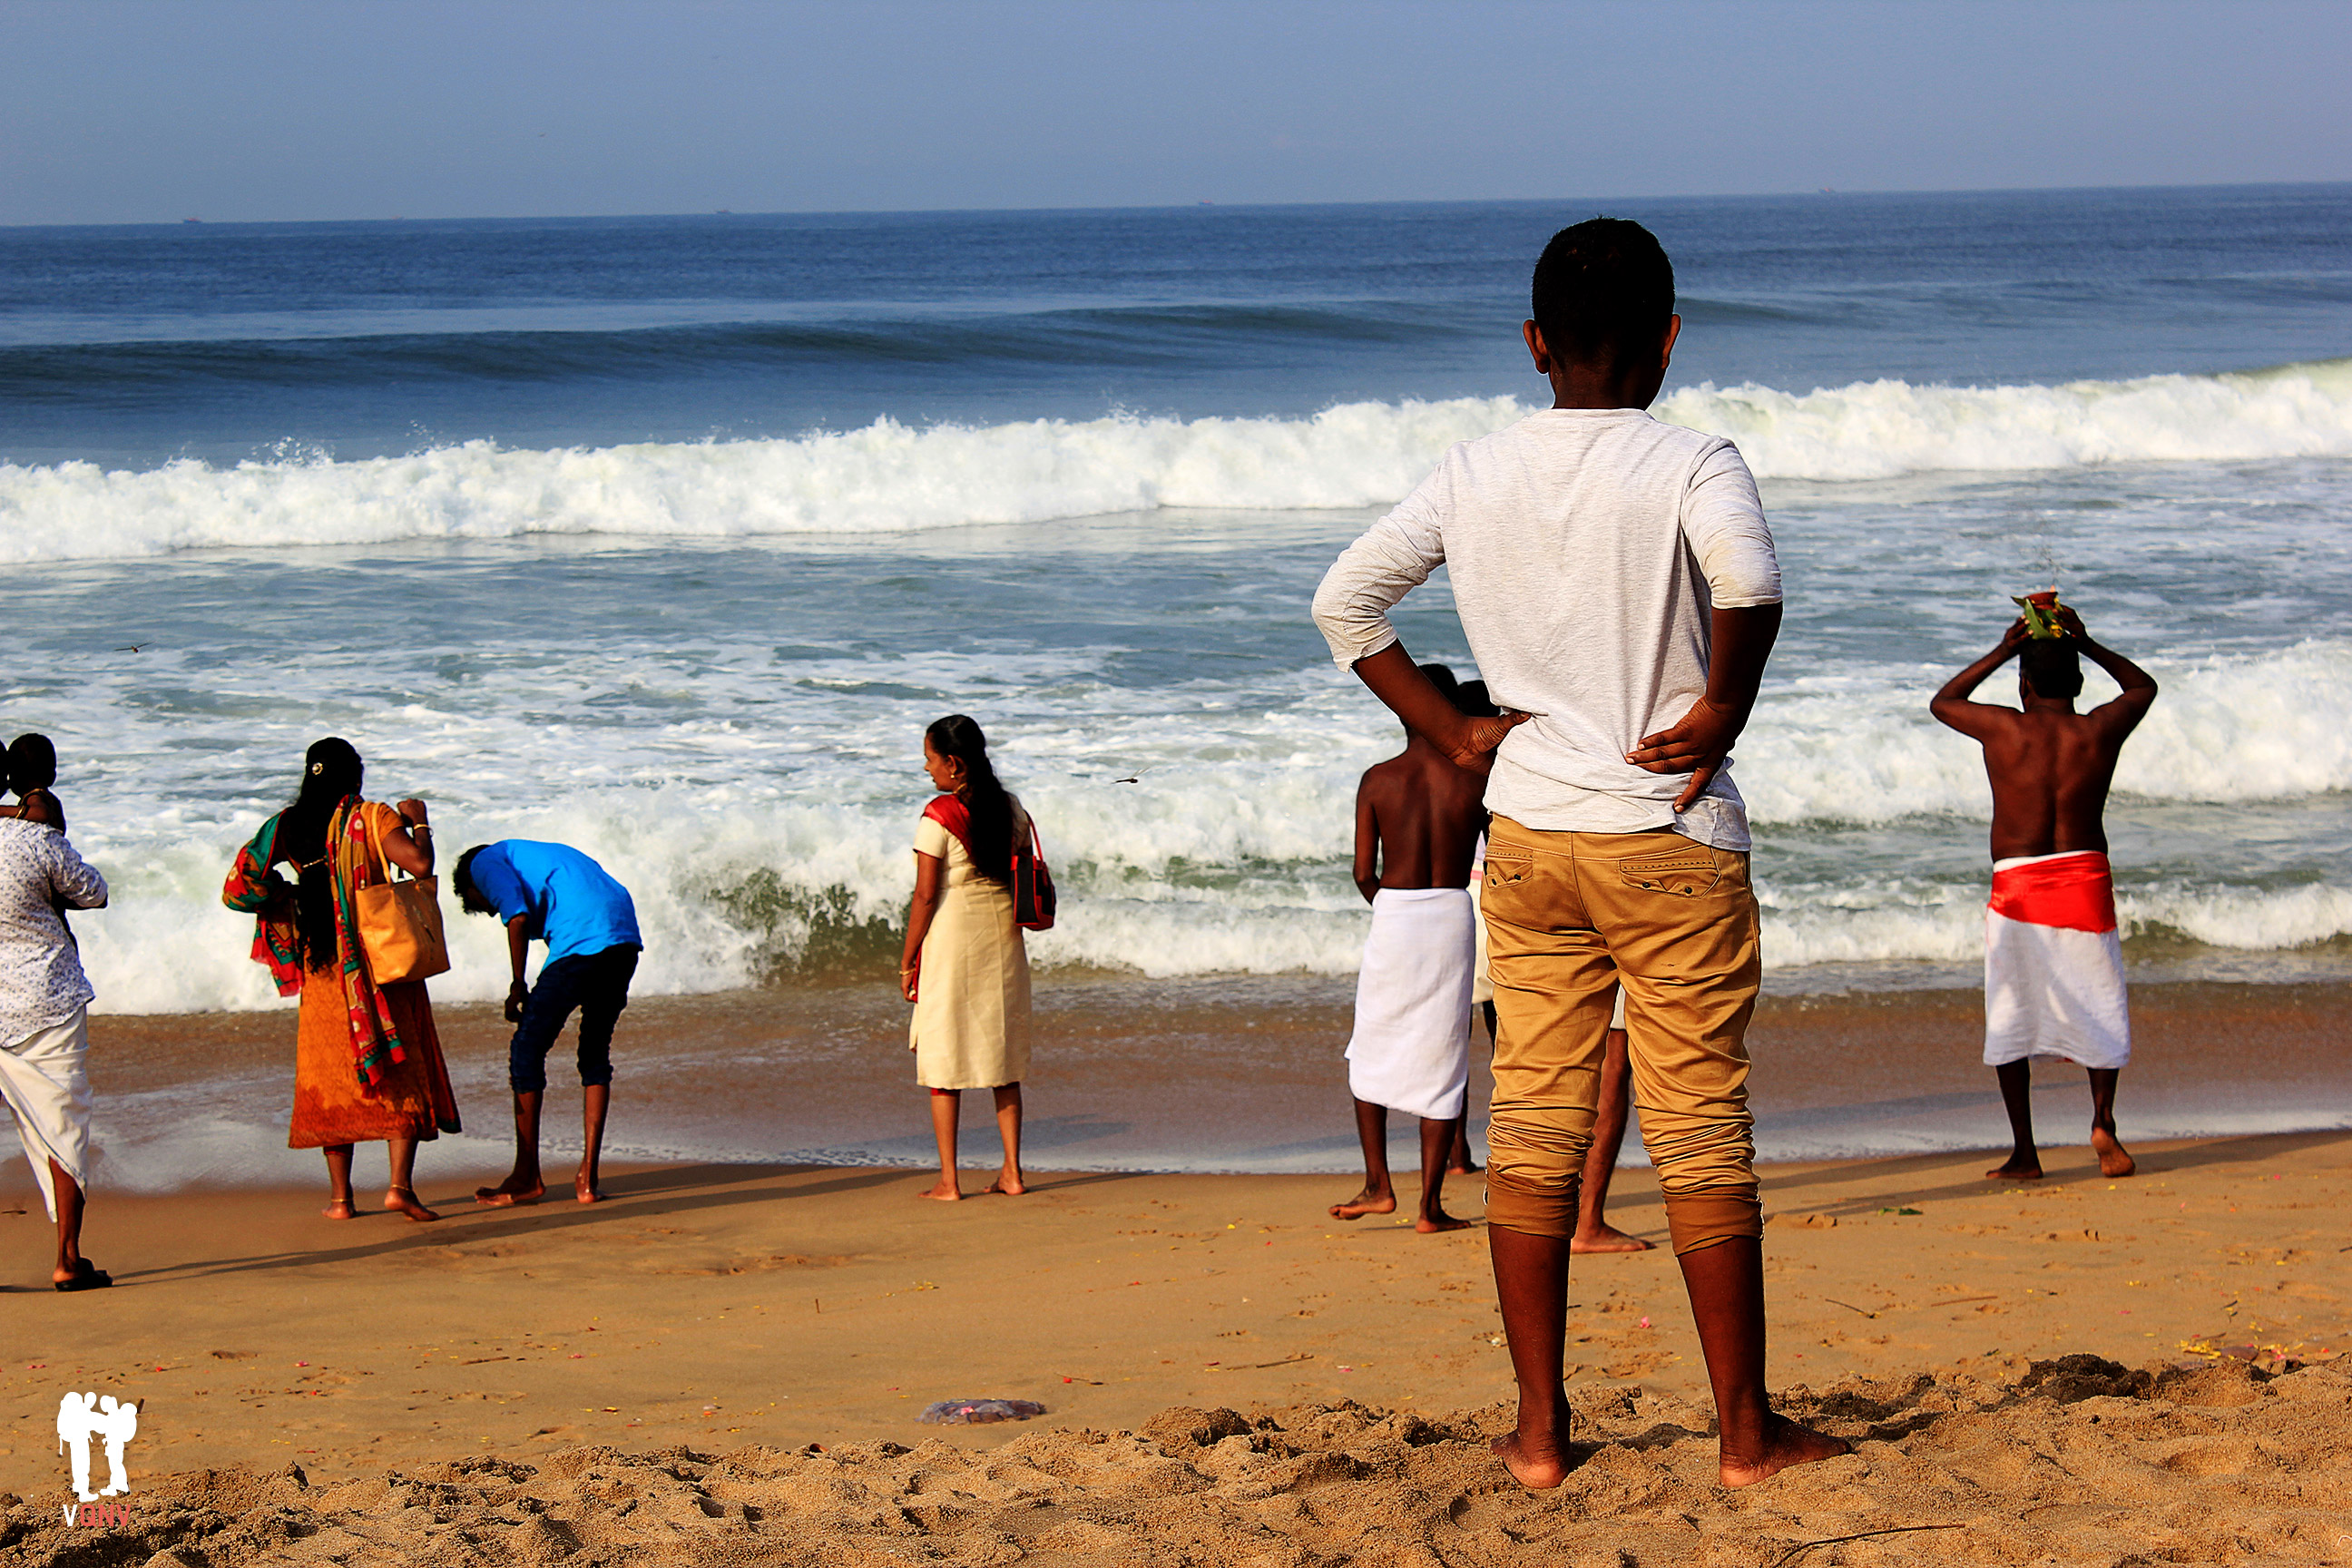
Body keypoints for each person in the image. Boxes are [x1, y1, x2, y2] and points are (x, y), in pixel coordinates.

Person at [1311, 217, 1845, 1489]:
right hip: (1668, 834)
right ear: (1668, 339)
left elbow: (1346, 602)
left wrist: (1447, 728)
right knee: (1702, 1126)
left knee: (1539, 1123)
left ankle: (1543, 1436)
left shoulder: (1474, 468)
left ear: (1535, 344)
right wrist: (1721, 710)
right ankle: (1745, 1437)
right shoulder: (1691, 457)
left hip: (1534, 839)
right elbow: (1751, 587)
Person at [1930, 603, 2157, 1181]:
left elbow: (1943, 702)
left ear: (2023, 683)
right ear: (2079, 680)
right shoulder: (2097, 730)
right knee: (2099, 997)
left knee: (2012, 1010)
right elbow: (2142, 686)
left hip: (2020, 884)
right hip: (2084, 877)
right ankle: (2103, 1120)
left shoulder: (2004, 727)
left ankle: (2025, 1152)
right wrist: (2088, 642)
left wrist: (2005, 651)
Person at [221, 739, 460, 1221]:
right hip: (380, 965)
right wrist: (418, 820)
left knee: (330, 1075)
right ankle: (398, 1188)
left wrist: (286, 896)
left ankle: (340, 1200)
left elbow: (239, 888)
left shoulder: (283, 826)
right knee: (400, 1068)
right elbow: (418, 865)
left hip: (323, 968)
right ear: (355, 778)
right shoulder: (372, 817)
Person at [1331, 662, 1486, 1233]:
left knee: (1372, 1043)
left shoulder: (1378, 778)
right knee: (1444, 1053)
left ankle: (1378, 1185)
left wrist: (1393, 907)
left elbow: (1361, 872)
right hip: (1451, 913)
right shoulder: (1476, 778)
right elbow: (1503, 858)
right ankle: (1429, 1208)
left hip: (1395, 914)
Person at [453, 840, 642, 1206]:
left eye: (479, 902)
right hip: (623, 937)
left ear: (470, 882)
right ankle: (588, 1178)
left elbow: (518, 916)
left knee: (526, 1050)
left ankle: (526, 1177)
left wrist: (517, 984)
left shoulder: (484, 862)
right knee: (594, 1055)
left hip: (583, 943)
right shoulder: (535, 855)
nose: (490, 912)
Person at [901, 715, 1035, 1201]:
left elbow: (923, 897)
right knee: (1003, 1058)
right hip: (1002, 940)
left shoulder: (938, 815)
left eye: (931, 759)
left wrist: (908, 958)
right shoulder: (1013, 809)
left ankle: (949, 1182)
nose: (927, 769)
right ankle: (1013, 1173)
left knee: (944, 1059)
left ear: (954, 764)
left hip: (952, 942)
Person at [0, 778, 110, 1289]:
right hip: (46, 997)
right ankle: (67, 1258)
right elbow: (94, 892)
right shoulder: (36, 839)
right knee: (63, 1124)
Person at [2, 734, 67, 829]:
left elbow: (42, 814)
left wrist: (2, 810)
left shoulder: (34, 796)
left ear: (19, 775)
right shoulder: (50, 799)